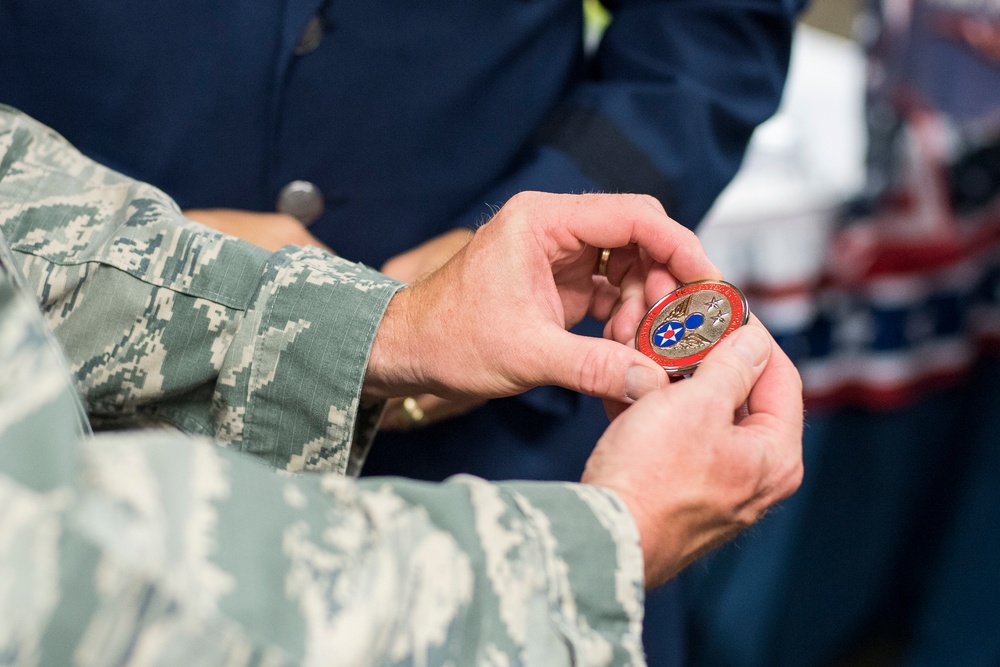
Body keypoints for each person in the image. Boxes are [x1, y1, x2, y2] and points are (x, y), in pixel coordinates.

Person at [0, 3, 804, 660]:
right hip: (82, 422)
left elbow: (711, 28)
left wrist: (391, 322)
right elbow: (68, 589)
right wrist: (606, 546)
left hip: (509, 432)